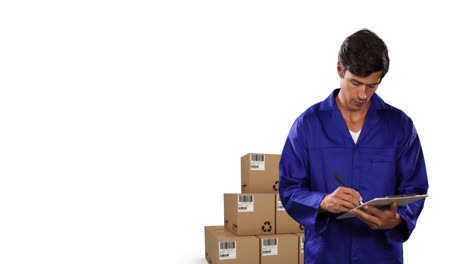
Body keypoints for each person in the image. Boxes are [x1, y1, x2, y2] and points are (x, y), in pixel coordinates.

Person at [278, 28, 429, 264]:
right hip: (326, 255)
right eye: (356, 82)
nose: (363, 94)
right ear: (340, 69)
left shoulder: (400, 127)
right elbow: (288, 189)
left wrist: (398, 219)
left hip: (381, 255)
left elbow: (416, 188)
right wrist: (323, 201)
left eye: (372, 85)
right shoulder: (307, 125)